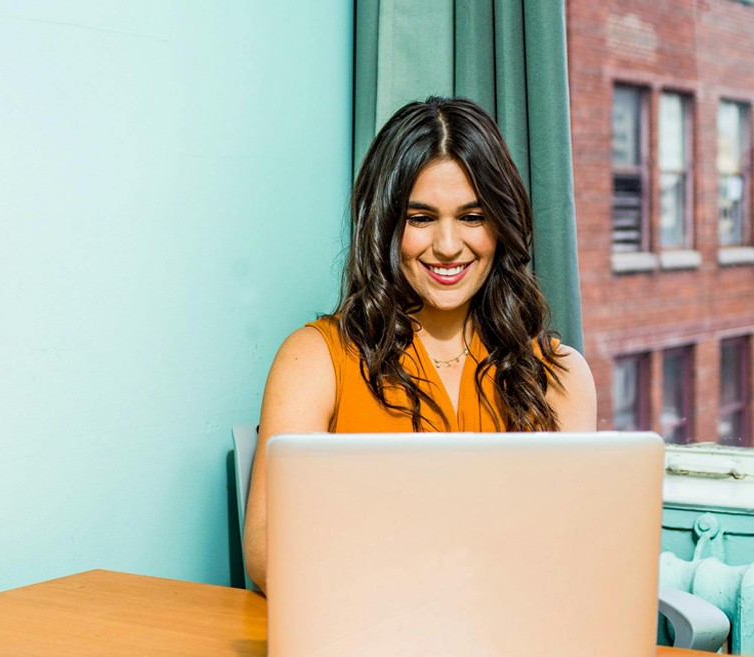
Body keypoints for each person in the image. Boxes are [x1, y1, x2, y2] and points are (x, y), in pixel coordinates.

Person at [244, 97, 596, 592]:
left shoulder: (560, 374)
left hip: (514, 647)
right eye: (420, 218)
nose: (448, 245)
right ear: (386, 225)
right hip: (365, 636)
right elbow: (267, 557)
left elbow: (573, 557)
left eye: (473, 216)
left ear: (501, 224)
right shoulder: (313, 360)